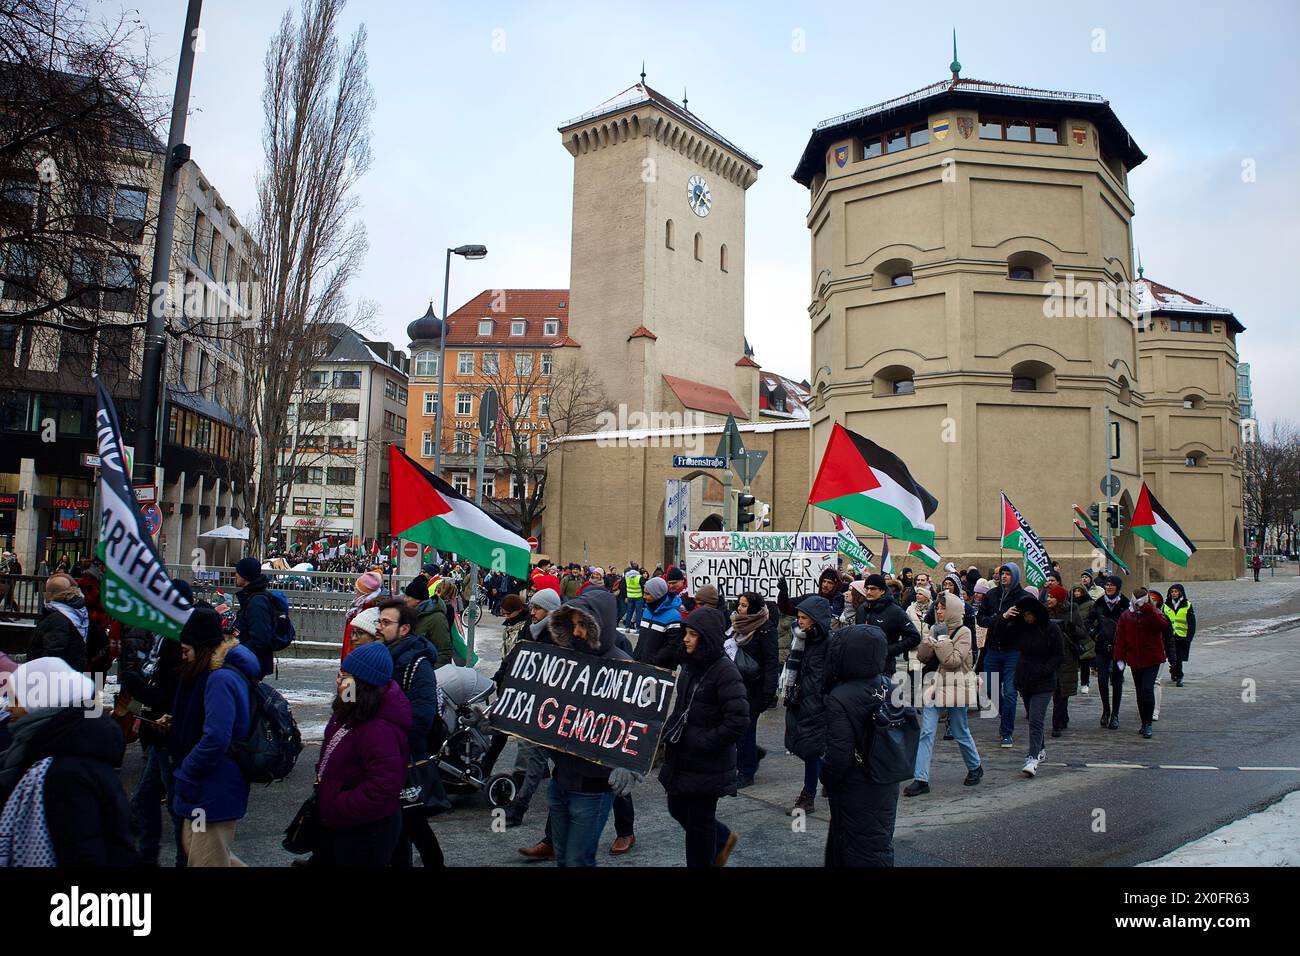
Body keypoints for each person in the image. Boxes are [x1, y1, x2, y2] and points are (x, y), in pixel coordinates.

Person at [0, 657, 136, 866]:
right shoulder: (50, 748)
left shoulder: (64, 770)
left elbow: (82, 854)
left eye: (15, 699)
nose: (8, 707)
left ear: (40, 701)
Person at [541, 589, 639, 866]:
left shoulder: (622, 666)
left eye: (583, 624)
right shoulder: (564, 660)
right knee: (562, 858)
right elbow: (540, 709)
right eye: (572, 624)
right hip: (560, 780)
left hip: (593, 788)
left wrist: (629, 763)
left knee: (577, 861)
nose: (577, 632)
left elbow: (639, 724)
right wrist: (496, 720)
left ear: (601, 625)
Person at [169, 607, 260, 867]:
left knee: (206, 857)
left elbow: (216, 738)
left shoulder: (219, 679)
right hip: (208, 785)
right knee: (203, 851)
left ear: (202, 649)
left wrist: (187, 770)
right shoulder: (217, 675)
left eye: (186, 651)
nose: (183, 657)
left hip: (213, 784)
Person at [658, 608, 748, 867]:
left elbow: (738, 720)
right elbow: (681, 709)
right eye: (686, 633)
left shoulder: (725, 672)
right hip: (683, 758)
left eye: (693, 634)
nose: (686, 639)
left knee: (698, 828)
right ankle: (723, 839)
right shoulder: (689, 667)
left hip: (708, 762)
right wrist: (666, 735)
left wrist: (705, 741)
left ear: (706, 638)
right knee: (677, 808)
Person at [311, 642, 411, 866]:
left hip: (364, 829)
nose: (338, 680)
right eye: (339, 674)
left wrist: (340, 804)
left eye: (345, 676)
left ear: (362, 684)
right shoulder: (348, 710)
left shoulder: (379, 729)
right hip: (340, 824)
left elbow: (384, 785)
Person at [121, 582, 190, 867]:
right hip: (157, 730)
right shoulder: (165, 633)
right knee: (145, 799)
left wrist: (138, 689)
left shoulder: (179, 641)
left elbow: (169, 693)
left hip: (167, 732)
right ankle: (146, 855)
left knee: (176, 808)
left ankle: (183, 860)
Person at [376, 598, 447, 867]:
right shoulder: (383, 655)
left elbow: (422, 715)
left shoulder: (418, 664)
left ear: (404, 629)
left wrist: (394, 746)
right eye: (378, 621)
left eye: (386, 622)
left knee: (411, 822)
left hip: (404, 756)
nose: (380, 627)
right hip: (384, 756)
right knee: (402, 825)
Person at [819, 625, 898, 866]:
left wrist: (827, 778)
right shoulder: (890, 686)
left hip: (855, 784)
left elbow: (838, 755)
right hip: (886, 777)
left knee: (856, 847)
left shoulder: (840, 696)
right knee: (878, 840)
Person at [904, 592, 982, 796]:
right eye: (937, 608)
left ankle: (975, 766)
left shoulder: (964, 631)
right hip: (934, 686)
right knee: (927, 732)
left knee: (959, 729)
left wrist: (940, 641)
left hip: (956, 686)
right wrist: (927, 643)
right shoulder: (935, 628)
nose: (939, 611)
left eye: (943, 608)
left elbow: (953, 661)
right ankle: (921, 779)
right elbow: (921, 657)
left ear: (953, 610)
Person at [781, 595, 833, 815]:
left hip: (817, 702)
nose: (799, 621)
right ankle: (828, 778)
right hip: (798, 699)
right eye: (799, 617)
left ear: (816, 620)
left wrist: (823, 698)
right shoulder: (799, 638)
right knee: (802, 746)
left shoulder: (828, 642)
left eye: (804, 618)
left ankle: (807, 795)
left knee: (811, 749)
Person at [728, 591, 779, 788]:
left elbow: (771, 662)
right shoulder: (736, 624)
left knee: (746, 730)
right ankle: (752, 753)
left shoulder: (765, 629)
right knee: (738, 728)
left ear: (755, 608)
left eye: (743, 605)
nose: (739, 608)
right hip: (736, 685)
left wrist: (768, 692)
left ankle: (746, 771)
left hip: (755, 689)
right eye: (739, 604)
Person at [1009, 595, 1064, 777]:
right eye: (1024, 615)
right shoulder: (1021, 629)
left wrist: (1045, 670)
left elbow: (1058, 655)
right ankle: (1040, 749)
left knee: (1036, 719)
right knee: (1032, 718)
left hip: (1044, 681)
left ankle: (1032, 757)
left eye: (1029, 615)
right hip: (1025, 679)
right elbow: (1001, 636)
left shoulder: (1051, 629)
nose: (1027, 618)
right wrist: (1005, 617)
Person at [976, 562, 1029, 748]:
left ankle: (1007, 732)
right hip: (992, 650)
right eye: (1002, 573)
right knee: (990, 690)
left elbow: (1030, 623)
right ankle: (1004, 715)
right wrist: (1001, 617)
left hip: (1013, 651)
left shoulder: (1024, 598)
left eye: (1008, 573)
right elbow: (981, 619)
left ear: (1015, 576)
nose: (1004, 576)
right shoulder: (991, 595)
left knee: (1010, 692)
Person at [1114, 588, 1171, 739]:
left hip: (1152, 658)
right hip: (1135, 659)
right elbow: (1120, 637)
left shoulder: (1154, 613)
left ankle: (1148, 724)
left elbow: (1162, 626)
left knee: (1147, 688)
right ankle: (1143, 721)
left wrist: (1147, 609)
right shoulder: (1126, 616)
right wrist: (1119, 657)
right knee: (1139, 691)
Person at [853, 573, 921, 677]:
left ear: (882, 591)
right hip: (861, 666)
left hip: (884, 669)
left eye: (873, 589)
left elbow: (914, 637)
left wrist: (888, 650)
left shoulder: (895, 611)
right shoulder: (862, 609)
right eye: (867, 588)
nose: (869, 592)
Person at [27, 574, 92, 672]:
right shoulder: (80, 612)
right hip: (76, 672)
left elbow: (53, 653)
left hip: (58, 679)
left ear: (51, 594)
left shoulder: (58, 619)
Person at [1087, 576, 1127, 729]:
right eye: (1107, 585)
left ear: (1118, 587)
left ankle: (1115, 714)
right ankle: (1106, 710)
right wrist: (1094, 634)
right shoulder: (1099, 602)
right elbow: (1089, 621)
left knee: (1117, 681)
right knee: (1102, 680)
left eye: (1112, 585)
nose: (1109, 587)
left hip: (1119, 648)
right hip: (1102, 647)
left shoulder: (1125, 603)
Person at [1047, 585, 1086, 738]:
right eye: (1048, 596)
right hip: (1049, 656)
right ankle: (1060, 718)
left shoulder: (1072, 612)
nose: (1048, 599)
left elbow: (1082, 632)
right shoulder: (1044, 611)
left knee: (1061, 692)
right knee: (1055, 690)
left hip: (1067, 657)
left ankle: (1057, 723)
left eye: (1052, 597)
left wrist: (1072, 629)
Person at [232, 556, 277, 678]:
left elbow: (260, 638)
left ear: (245, 575)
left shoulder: (257, 602)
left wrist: (237, 653)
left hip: (251, 663)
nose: (235, 574)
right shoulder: (252, 597)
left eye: (238, 572)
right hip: (249, 661)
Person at [402, 578, 454, 669]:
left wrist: (432, 674)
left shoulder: (436, 618)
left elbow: (444, 651)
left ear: (417, 600)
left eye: (407, 597)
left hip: (427, 671)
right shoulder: (411, 613)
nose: (404, 599)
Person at [634, 576, 685, 667]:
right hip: (641, 665)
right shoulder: (646, 611)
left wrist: (653, 661)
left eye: (647, 594)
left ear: (657, 595)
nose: (644, 596)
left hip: (660, 670)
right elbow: (642, 639)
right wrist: (635, 656)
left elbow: (673, 646)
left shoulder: (674, 616)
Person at [341, 570, 386, 659]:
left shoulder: (368, 611)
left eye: (357, 590)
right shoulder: (358, 607)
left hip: (356, 655)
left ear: (364, 592)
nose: (355, 592)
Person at [778, 567, 844, 621]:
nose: (825, 585)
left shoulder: (841, 601)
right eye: (824, 581)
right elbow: (788, 608)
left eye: (830, 583)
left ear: (836, 586)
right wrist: (783, 593)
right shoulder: (811, 599)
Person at [1163, 584, 1196, 687]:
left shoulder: (1187, 605)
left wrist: (1189, 637)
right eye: (1172, 592)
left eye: (1176, 591)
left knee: (1179, 657)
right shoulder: (1165, 605)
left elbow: (1191, 623)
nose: (1174, 593)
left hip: (1181, 636)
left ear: (1180, 593)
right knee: (1171, 657)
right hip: (1169, 636)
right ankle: (1173, 670)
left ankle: (1179, 676)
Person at [621, 563, 643, 629]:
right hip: (638, 597)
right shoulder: (639, 577)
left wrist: (625, 596)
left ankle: (627, 627)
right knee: (638, 613)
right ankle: (638, 627)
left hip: (630, 596)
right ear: (638, 569)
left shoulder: (626, 576)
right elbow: (643, 586)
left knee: (629, 612)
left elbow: (623, 586)